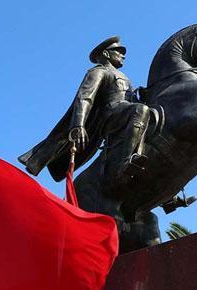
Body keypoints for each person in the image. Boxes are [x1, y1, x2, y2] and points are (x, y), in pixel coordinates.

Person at [19, 35, 154, 191]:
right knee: (140, 110)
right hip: (109, 116)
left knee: (153, 117)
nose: (123, 55)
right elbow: (85, 97)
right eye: (118, 51)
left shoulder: (125, 77)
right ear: (106, 54)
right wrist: (78, 124)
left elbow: (130, 102)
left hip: (125, 114)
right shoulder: (99, 72)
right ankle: (126, 162)